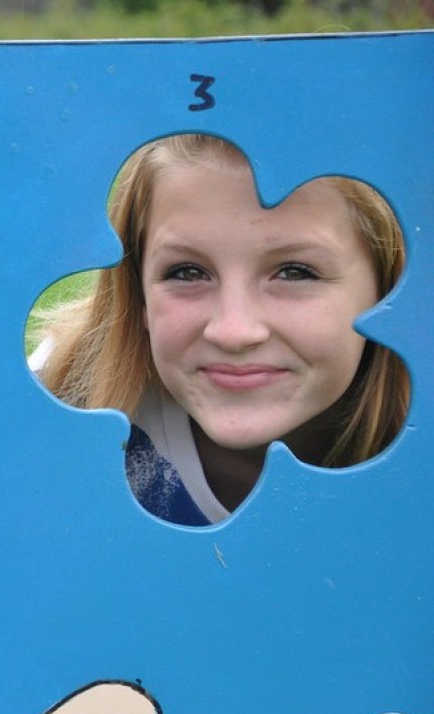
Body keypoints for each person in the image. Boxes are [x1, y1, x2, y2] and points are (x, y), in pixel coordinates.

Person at [34, 133, 408, 526]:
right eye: (187, 272)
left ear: (388, 290)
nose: (234, 332)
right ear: (138, 290)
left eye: (295, 272)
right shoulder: (52, 399)